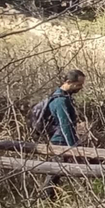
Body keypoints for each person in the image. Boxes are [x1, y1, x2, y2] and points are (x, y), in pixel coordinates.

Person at [40, 69, 85, 199]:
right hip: (59, 141)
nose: (80, 88)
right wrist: (73, 147)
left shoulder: (62, 97)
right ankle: (46, 199)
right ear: (68, 82)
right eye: (78, 84)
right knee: (55, 171)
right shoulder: (60, 101)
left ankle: (48, 199)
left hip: (59, 140)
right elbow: (65, 125)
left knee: (56, 172)